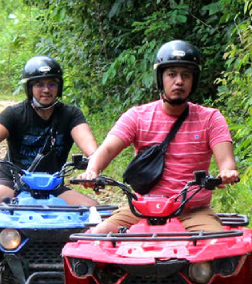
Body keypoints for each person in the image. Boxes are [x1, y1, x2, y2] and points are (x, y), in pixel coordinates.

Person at [75, 39, 239, 234]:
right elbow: (108, 149)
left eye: (186, 75)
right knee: (96, 240)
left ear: (194, 80)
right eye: (171, 74)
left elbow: (227, 163)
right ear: (160, 78)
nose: (179, 81)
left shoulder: (211, 118)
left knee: (217, 248)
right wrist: (92, 171)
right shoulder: (137, 116)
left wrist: (227, 173)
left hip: (194, 212)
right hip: (142, 208)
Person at [0, 55, 99, 205]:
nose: (46, 90)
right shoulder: (14, 113)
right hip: (12, 181)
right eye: (39, 85)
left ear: (59, 87)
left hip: (52, 184)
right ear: (29, 88)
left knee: (93, 211)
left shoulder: (70, 114)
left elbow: (87, 141)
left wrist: (93, 164)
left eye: (52, 84)